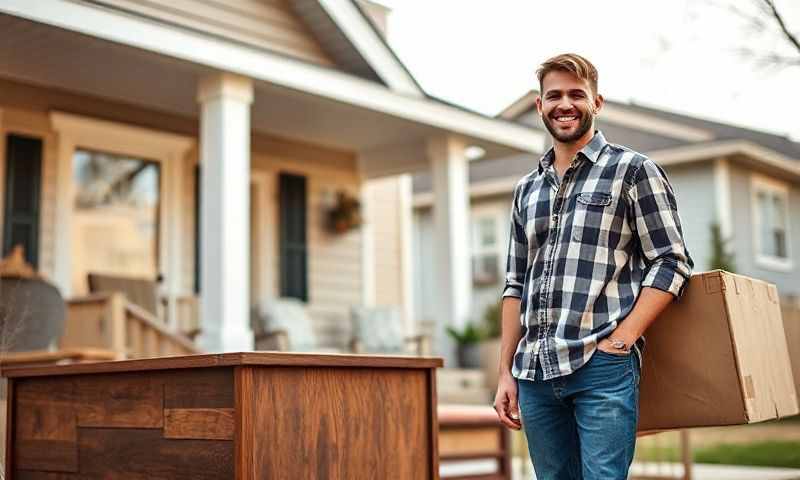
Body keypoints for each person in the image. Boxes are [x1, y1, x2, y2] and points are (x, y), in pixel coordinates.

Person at [492, 53, 693, 480]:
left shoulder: (633, 171)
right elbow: (515, 284)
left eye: (576, 94)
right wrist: (505, 373)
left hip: (600, 366)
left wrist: (623, 340)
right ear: (539, 106)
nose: (564, 104)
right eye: (554, 96)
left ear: (597, 103)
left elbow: (671, 261)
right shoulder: (526, 190)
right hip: (534, 374)